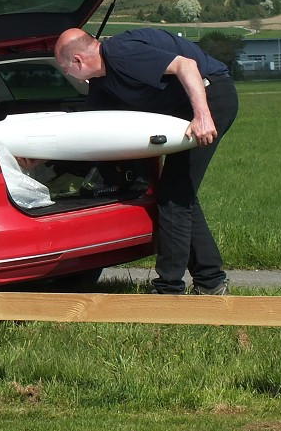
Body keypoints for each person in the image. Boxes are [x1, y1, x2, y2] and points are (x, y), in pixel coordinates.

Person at [54, 27, 239, 296]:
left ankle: (169, 289)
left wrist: (202, 116)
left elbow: (186, 65)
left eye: (66, 69)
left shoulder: (121, 53)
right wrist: (41, 159)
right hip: (184, 109)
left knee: (174, 197)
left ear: (78, 61)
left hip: (211, 97)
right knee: (180, 194)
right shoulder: (102, 83)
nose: (68, 75)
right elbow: (88, 130)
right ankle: (211, 282)